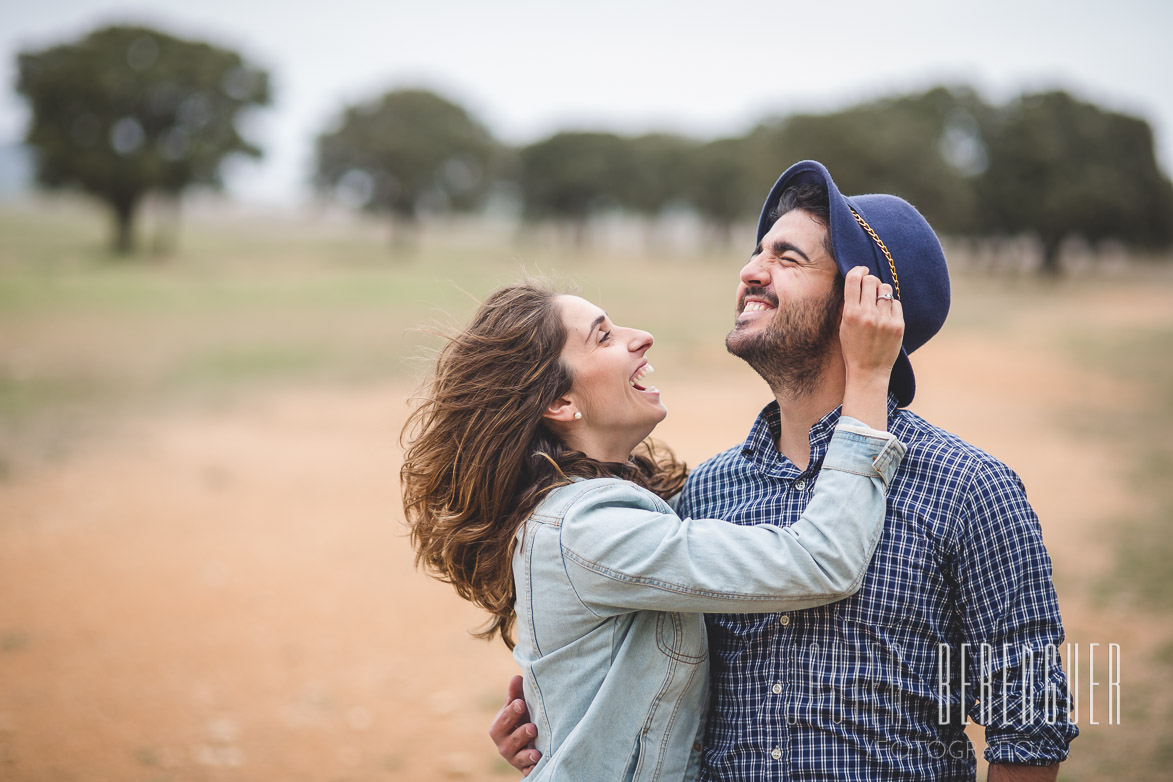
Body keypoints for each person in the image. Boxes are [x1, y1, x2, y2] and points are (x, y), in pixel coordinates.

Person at [491, 160, 1078, 781]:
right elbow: (653, 681)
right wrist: (558, 723)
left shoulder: (969, 491)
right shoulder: (703, 494)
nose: (750, 270)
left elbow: (1029, 723)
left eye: (788, 258)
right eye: (756, 251)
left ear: (864, 305)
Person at [402, 263, 907, 781]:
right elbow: (820, 562)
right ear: (559, 402)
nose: (640, 338)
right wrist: (867, 381)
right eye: (604, 337)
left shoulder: (613, 511)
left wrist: (562, 725)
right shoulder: (586, 530)